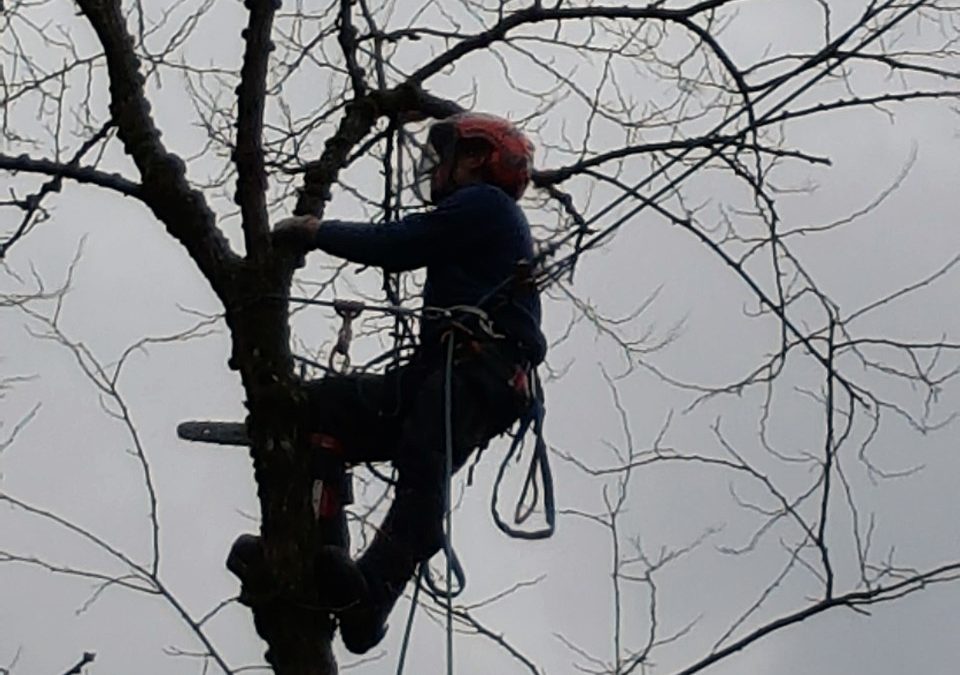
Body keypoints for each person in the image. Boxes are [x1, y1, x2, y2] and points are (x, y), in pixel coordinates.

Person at [228, 112, 547, 654]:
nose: (433, 168)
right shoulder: (473, 216)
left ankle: (373, 592)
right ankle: (320, 561)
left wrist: (316, 231)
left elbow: (402, 243)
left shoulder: (485, 204)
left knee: (425, 455)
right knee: (328, 409)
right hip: (439, 369)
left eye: (443, 154)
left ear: (474, 157)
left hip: (481, 370)